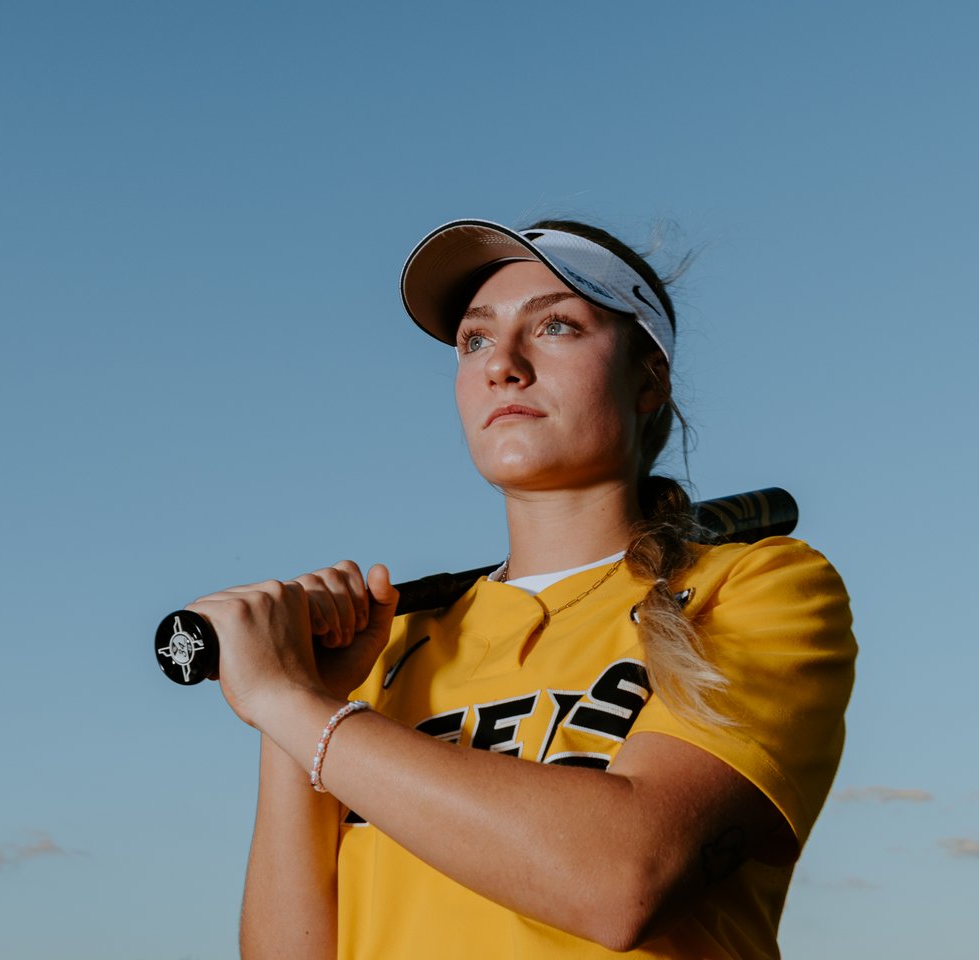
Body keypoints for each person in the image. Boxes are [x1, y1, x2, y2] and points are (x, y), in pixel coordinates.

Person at [188, 218, 857, 959]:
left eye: (556, 327)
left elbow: (624, 879)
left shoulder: (760, 587)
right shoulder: (386, 651)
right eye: (474, 341)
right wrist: (296, 705)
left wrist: (291, 705)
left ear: (648, 379)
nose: (501, 364)